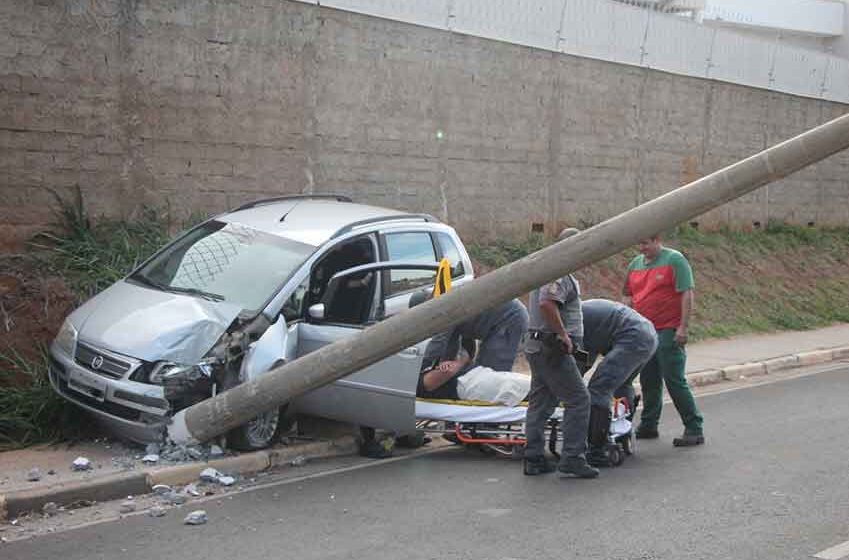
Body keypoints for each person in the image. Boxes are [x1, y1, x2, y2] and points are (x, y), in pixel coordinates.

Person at [523, 228, 598, 479]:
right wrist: (564, 335)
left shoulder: (546, 269)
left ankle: (533, 457)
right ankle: (573, 457)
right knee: (579, 400)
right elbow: (547, 302)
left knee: (540, 403)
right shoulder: (559, 272)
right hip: (552, 348)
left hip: (538, 346)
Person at [624, 234, 705, 446]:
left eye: (645, 243)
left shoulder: (675, 260)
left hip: (669, 329)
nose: (642, 248)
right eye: (639, 243)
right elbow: (627, 296)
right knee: (648, 379)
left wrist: (683, 327)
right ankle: (649, 424)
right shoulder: (635, 264)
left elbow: (687, 294)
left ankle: (694, 427)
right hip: (644, 331)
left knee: (674, 379)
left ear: (657, 240)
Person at [580, 298, 658, 466]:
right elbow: (585, 359)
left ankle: (597, 449)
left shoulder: (574, 321)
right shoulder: (584, 311)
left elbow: (582, 361)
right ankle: (623, 436)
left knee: (599, 388)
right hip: (647, 335)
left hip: (633, 338)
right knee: (622, 384)